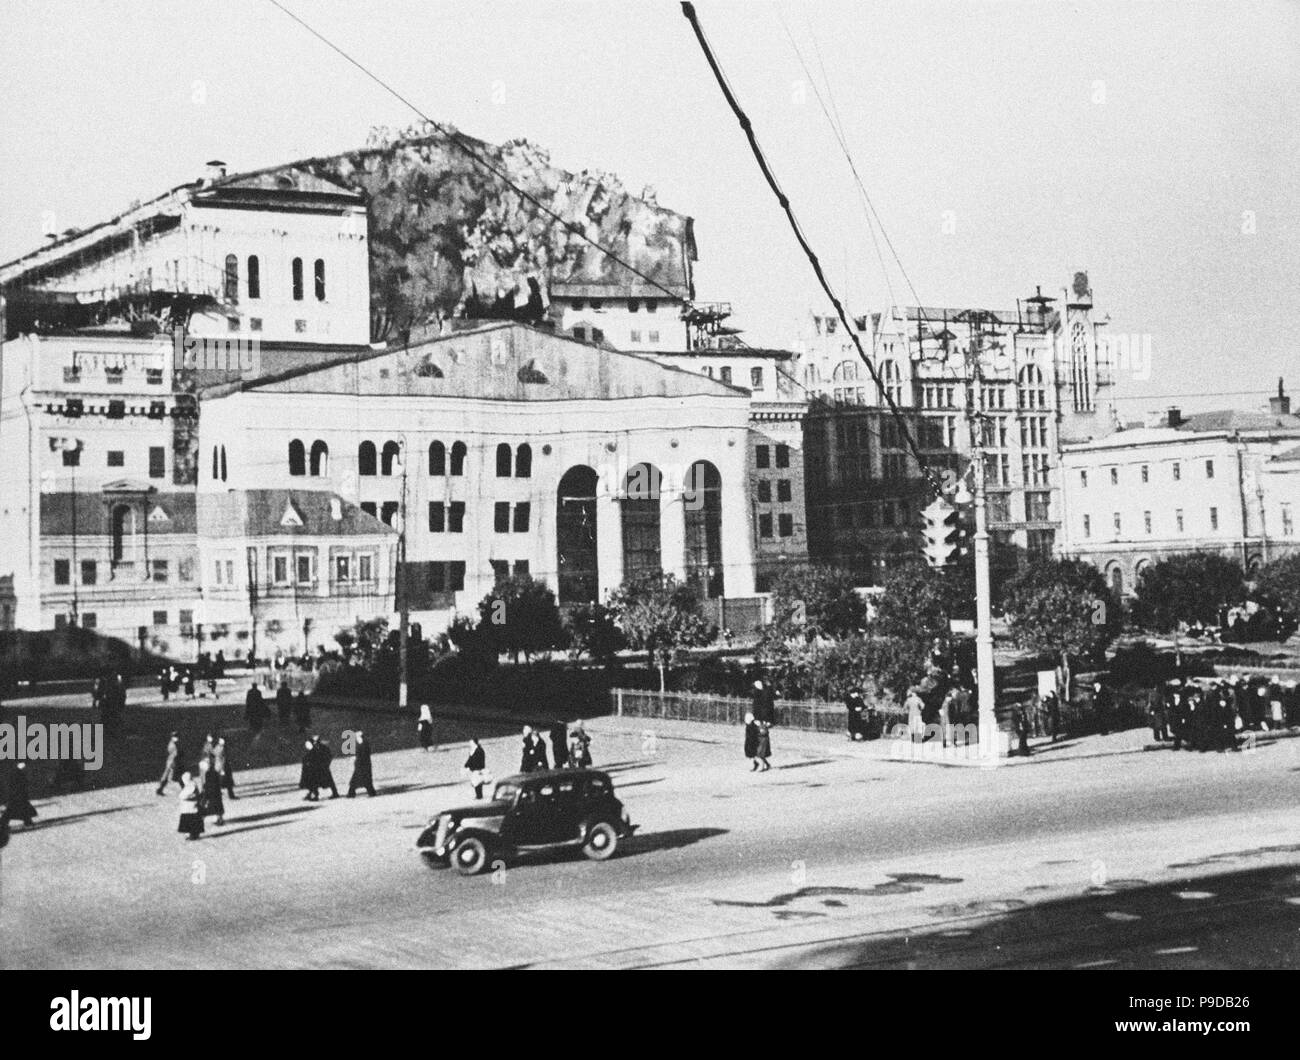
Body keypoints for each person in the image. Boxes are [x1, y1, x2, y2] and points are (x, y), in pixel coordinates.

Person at [3, 762, 38, 829]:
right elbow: (18, 785)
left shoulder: (18, 774)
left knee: (21, 808)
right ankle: (27, 821)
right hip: (18, 795)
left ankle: (28, 821)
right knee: (13, 809)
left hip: (19, 795)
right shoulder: (18, 775)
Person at [348, 730, 375, 797]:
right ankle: (371, 792)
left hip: (360, 765)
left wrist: (356, 760)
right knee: (366, 780)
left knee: (355, 781)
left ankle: (351, 794)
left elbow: (360, 755)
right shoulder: (364, 743)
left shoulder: (360, 744)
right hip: (365, 765)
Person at [177, 772, 204, 840]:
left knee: (188, 821)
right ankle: (194, 834)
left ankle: (191, 834)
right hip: (192, 808)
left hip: (189, 808)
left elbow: (183, 796)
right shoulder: (193, 785)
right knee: (194, 821)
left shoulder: (190, 786)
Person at [198, 756, 224, 826]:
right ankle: (219, 819)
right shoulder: (215, 773)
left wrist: (204, 789)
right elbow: (218, 782)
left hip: (210, 792)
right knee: (218, 807)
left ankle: (200, 820)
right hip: (216, 792)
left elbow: (206, 783)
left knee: (205, 807)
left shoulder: (208, 773)